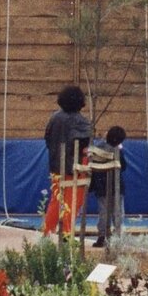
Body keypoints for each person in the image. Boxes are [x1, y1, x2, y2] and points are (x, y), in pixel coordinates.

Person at [43, 85, 92, 235]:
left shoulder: (54, 118)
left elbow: (47, 139)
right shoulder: (81, 121)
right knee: (73, 202)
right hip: (75, 167)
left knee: (56, 200)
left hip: (56, 166)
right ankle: (66, 234)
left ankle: (47, 232)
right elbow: (84, 143)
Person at [88, 125, 127, 247]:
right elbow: (123, 166)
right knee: (118, 212)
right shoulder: (117, 151)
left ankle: (102, 236)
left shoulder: (97, 148)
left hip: (101, 185)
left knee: (103, 212)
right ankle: (117, 237)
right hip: (116, 186)